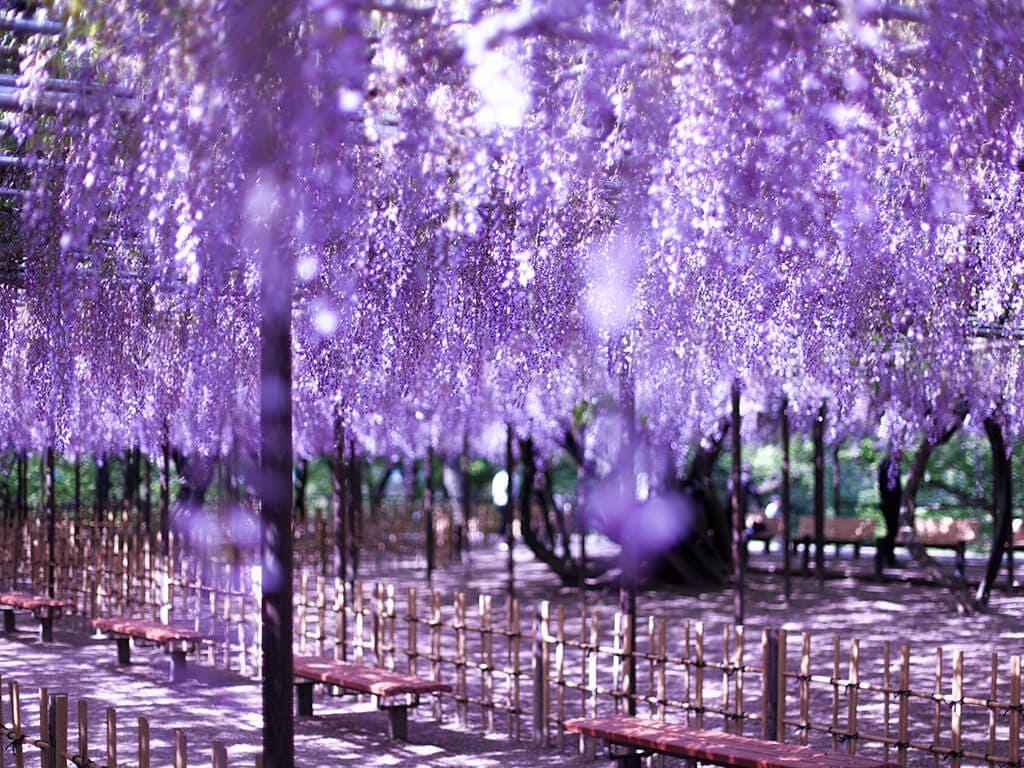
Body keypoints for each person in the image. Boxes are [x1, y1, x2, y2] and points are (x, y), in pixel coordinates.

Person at [877, 449, 902, 568]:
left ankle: (886, 557)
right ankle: (886, 557)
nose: (902, 456)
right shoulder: (888, 466)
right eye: (900, 453)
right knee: (892, 530)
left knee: (892, 530)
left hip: (891, 503)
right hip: (889, 503)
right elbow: (887, 486)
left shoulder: (891, 465)